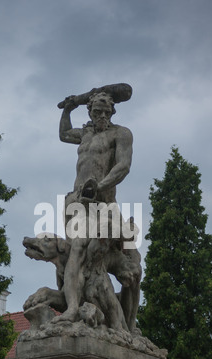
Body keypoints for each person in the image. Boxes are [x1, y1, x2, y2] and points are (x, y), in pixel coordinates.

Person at [52, 92, 134, 324]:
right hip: (77, 203)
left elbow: (123, 166)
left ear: (112, 112)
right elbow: (64, 134)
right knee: (75, 252)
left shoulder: (121, 133)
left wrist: (99, 186)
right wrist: (67, 110)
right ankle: (73, 308)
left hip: (102, 204)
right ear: (89, 111)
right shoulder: (85, 134)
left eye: (106, 112)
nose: (101, 116)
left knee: (115, 261)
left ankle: (124, 320)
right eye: (97, 112)